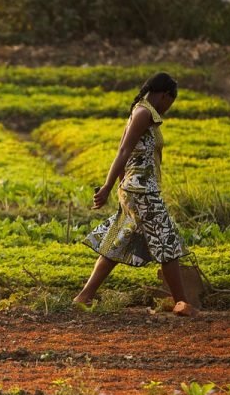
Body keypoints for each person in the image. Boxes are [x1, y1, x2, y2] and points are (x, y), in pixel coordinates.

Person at [73, 72, 197, 317]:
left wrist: (119, 187)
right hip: (142, 191)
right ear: (164, 95)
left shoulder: (139, 111)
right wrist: (108, 187)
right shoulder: (144, 113)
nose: (169, 108)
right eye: (170, 102)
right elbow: (123, 150)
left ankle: (84, 296)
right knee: (167, 240)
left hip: (133, 189)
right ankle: (181, 302)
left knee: (119, 241)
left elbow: (128, 153)